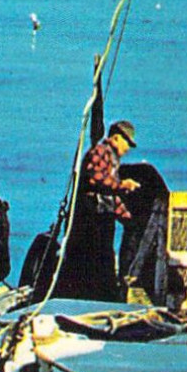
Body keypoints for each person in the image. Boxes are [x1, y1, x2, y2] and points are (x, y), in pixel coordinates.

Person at [66, 119, 141, 301]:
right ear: (116, 138)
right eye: (127, 143)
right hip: (90, 217)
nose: (128, 149)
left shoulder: (113, 160)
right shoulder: (101, 152)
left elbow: (111, 197)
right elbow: (96, 179)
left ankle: (101, 296)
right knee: (95, 259)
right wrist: (122, 184)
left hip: (102, 216)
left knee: (104, 258)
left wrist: (129, 219)